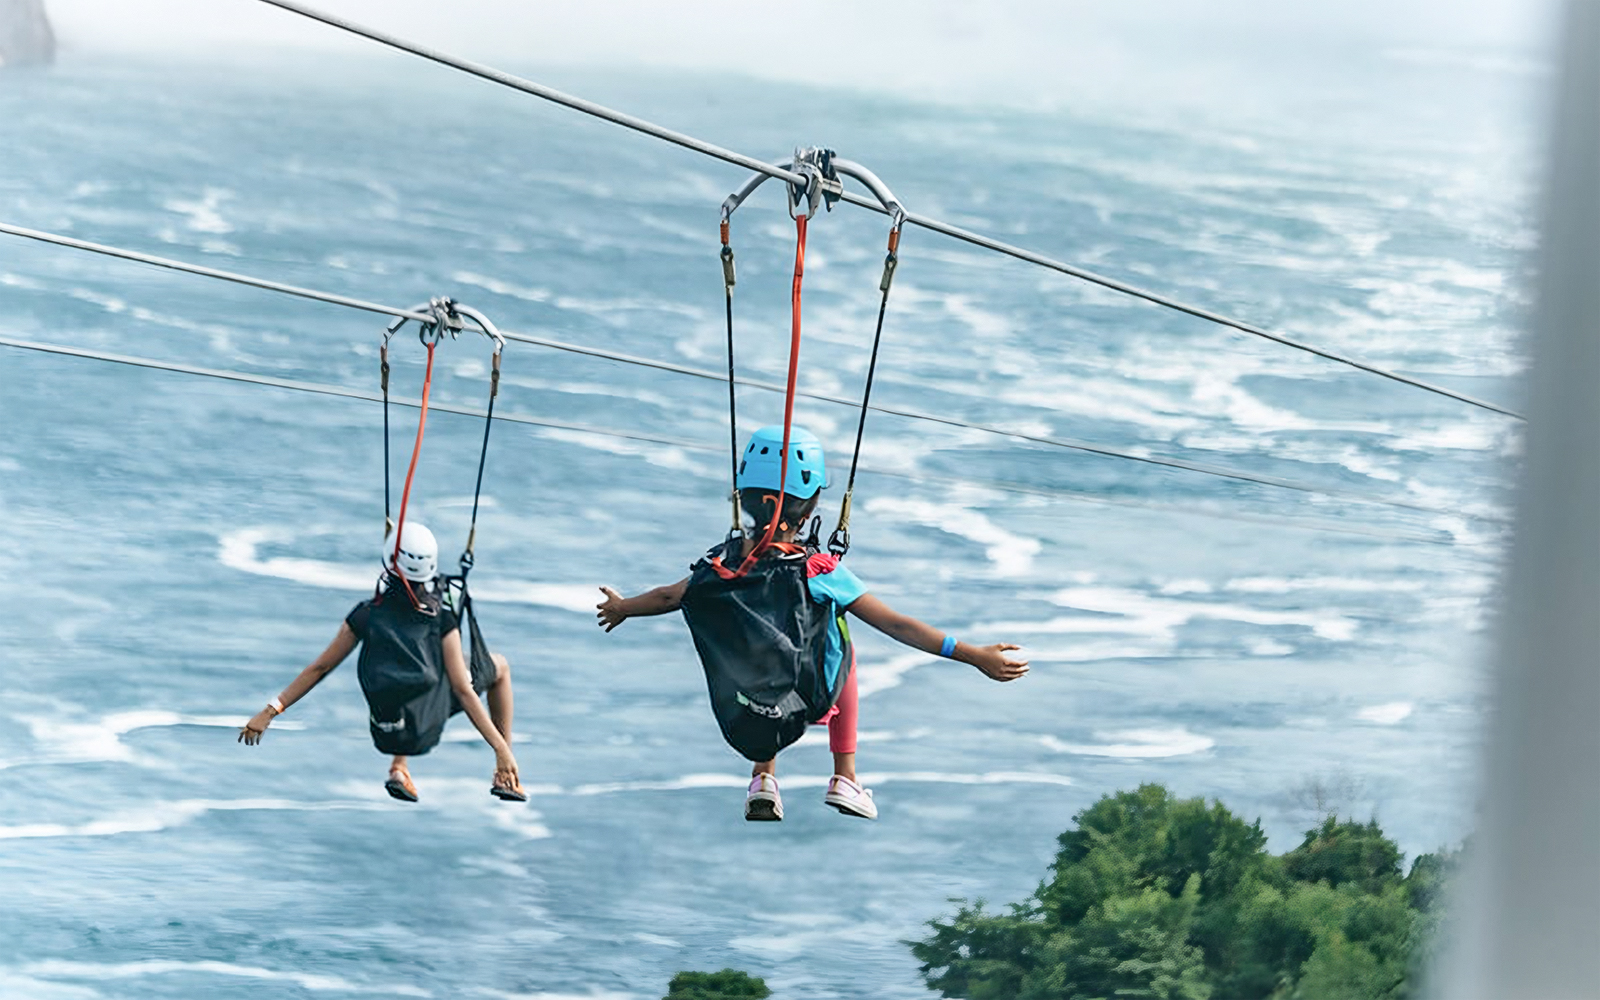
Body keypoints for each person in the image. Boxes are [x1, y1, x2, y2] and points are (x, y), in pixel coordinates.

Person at [596, 425, 1028, 822]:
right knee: (842, 637)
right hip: (808, 696)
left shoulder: (719, 565)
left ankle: (763, 777)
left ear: (742, 501)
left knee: (761, 643)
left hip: (742, 706)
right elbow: (897, 625)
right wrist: (972, 654)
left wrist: (622, 607)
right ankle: (846, 777)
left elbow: (669, 597)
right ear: (810, 510)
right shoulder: (818, 570)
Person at [238, 522, 525, 803]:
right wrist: (500, 749)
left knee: (415, 672)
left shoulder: (365, 615)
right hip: (426, 727)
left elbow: (320, 668)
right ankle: (506, 775)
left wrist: (271, 711)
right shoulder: (441, 619)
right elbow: (463, 691)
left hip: (386, 732)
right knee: (498, 667)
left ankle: (400, 767)